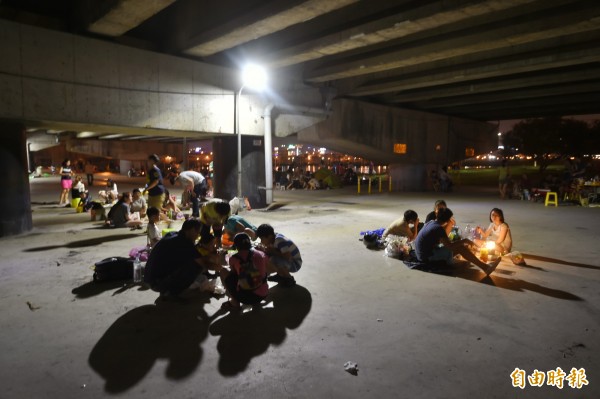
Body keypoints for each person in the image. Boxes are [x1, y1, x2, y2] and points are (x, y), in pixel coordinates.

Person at [414, 208, 500, 276]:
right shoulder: (438, 228)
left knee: (459, 246)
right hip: (427, 257)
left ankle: (485, 266)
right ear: (447, 220)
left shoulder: (431, 223)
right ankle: (485, 268)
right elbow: (450, 246)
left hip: (422, 254)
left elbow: (444, 240)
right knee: (461, 248)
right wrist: (464, 241)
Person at [144, 219, 205, 300]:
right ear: (191, 230)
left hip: (148, 279)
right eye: (197, 232)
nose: (198, 235)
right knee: (197, 266)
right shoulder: (185, 243)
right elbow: (203, 264)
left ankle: (166, 290)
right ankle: (171, 292)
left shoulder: (172, 234)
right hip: (156, 283)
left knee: (188, 261)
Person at [220, 232, 268, 311]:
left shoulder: (233, 258)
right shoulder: (261, 254)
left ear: (236, 245)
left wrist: (223, 254)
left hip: (246, 297)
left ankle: (234, 303)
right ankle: (257, 293)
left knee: (224, 271)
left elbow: (233, 273)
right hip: (263, 294)